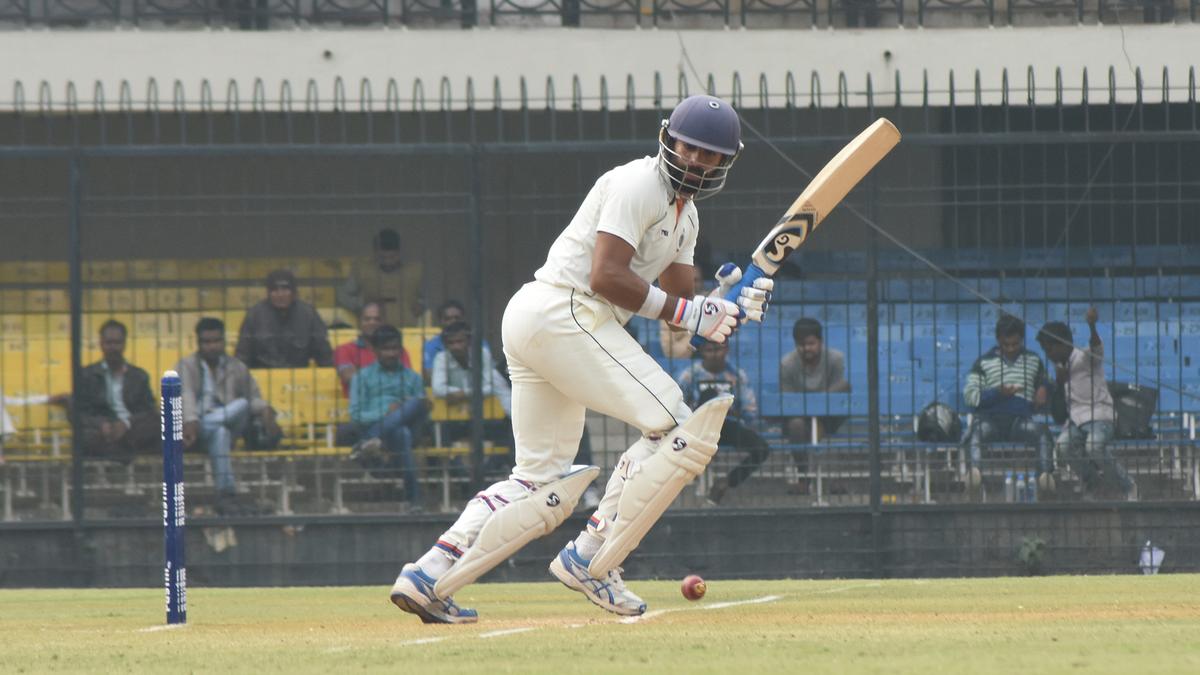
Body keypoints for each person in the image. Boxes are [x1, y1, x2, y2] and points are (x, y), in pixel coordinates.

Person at [389, 94, 772, 624]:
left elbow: (679, 316)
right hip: (565, 311)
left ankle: (431, 571)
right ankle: (592, 557)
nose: (696, 160)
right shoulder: (639, 183)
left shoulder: (687, 220)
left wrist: (728, 305)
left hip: (548, 322)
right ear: (669, 139)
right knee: (678, 428)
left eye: (710, 154)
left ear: (725, 162)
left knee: (540, 481)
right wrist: (694, 310)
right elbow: (606, 277)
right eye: (690, 147)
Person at [177, 317, 279, 513]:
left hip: (225, 425)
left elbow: (253, 397)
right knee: (220, 432)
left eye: (216, 341)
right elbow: (185, 395)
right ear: (198, 343)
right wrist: (191, 420)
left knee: (241, 405)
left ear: (223, 341)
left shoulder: (237, 366)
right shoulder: (186, 366)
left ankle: (212, 421)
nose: (212, 346)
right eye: (207, 342)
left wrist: (265, 409)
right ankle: (226, 495)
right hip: (197, 431)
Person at [1037, 308, 1137, 500]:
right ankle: (1092, 483)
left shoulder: (1084, 357)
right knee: (1062, 447)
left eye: (1049, 349)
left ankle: (1128, 485)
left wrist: (1092, 326)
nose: (1048, 354)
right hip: (1076, 421)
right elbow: (1058, 413)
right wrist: (1059, 384)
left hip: (1100, 417)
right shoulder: (1059, 370)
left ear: (1062, 344)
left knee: (1093, 446)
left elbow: (1097, 347)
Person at [963, 314, 1053, 500]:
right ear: (998, 340)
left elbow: (1047, 379)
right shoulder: (983, 363)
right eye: (1006, 345)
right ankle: (974, 475)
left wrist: (1043, 387)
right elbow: (970, 396)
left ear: (1021, 340)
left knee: (1042, 433)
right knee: (974, 435)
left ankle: (1045, 476)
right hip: (990, 420)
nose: (1011, 349)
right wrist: (997, 393)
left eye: (1015, 344)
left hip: (1020, 421)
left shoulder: (1034, 360)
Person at [676, 340, 770, 505]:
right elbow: (677, 406)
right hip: (700, 427)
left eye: (718, 349)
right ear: (702, 351)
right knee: (709, 395)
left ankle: (726, 482)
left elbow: (750, 410)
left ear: (726, 350)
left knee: (761, 449)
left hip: (728, 425)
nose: (714, 354)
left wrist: (730, 409)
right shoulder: (690, 375)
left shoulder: (736, 375)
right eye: (709, 350)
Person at [345, 324, 428, 509]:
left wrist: (404, 409)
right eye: (386, 349)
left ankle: (367, 441)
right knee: (402, 432)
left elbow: (421, 411)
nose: (391, 354)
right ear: (374, 350)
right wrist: (387, 412)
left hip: (408, 432)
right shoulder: (362, 378)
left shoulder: (413, 378)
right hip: (389, 432)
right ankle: (413, 498)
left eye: (395, 349)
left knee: (417, 403)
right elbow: (356, 414)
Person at [778, 317, 850, 493]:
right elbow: (788, 400)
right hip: (798, 416)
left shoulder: (835, 359)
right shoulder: (787, 364)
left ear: (820, 342)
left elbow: (839, 393)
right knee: (796, 425)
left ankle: (834, 480)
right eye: (801, 344)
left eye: (811, 343)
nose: (807, 349)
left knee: (845, 387)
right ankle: (804, 478)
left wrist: (819, 404)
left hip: (830, 414)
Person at [76, 320, 158, 459]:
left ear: (124, 344)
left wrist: (126, 424)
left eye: (117, 343)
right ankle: (123, 452)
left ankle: (119, 451)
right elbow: (79, 411)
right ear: (101, 344)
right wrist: (102, 424)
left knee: (158, 425)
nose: (113, 348)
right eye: (109, 343)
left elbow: (149, 410)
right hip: (102, 431)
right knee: (86, 436)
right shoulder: (86, 375)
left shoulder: (139, 376)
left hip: (132, 429)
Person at [235, 269, 334, 369]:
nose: (280, 294)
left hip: (299, 377)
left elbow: (324, 355)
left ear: (294, 292)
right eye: (275, 290)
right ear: (268, 293)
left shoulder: (309, 314)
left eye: (285, 289)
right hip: (262, 376)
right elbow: (243, 355)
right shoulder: (254, 315)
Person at [337, 228, 425, 327]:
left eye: (392, 257)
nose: (388, 262)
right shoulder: (362, 270)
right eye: (383, 257)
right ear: (375, 253)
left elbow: (426, 297)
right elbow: (342, 295)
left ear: (399, 253)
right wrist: (362, 305)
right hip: (372, 330)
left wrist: (422, 305)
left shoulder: (415, 271)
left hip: (406, 328)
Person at [333, 301, 412, 397]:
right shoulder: (344, 350)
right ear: (359, 323)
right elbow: (348, 377)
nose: (372, 322)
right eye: (367, 319)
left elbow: (406, 379)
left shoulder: (398, 350)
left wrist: (361, 373)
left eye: (377, 319)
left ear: (383, 323)